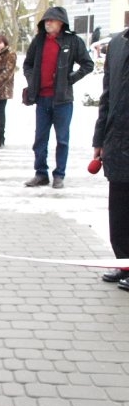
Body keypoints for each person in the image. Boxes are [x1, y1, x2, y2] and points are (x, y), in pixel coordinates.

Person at [22, 6, 93, 189]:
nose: (48, 23)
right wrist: (33, 80)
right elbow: (27, 64)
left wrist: (71, 78)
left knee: (62, 139)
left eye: (51, 20)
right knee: (40, 139)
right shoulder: (38, 41)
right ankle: (41, 174)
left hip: (62, 100)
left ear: (61, 23)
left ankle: (59, 175)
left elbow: (87, 64)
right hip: (42, 98)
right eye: (46, 20)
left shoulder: (72, 41)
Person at [92, 22, 129, 288]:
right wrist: (99, 138)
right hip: (117, 139)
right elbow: (107, 95)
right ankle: (123, 261)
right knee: (118, 208)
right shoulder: (117, 44)